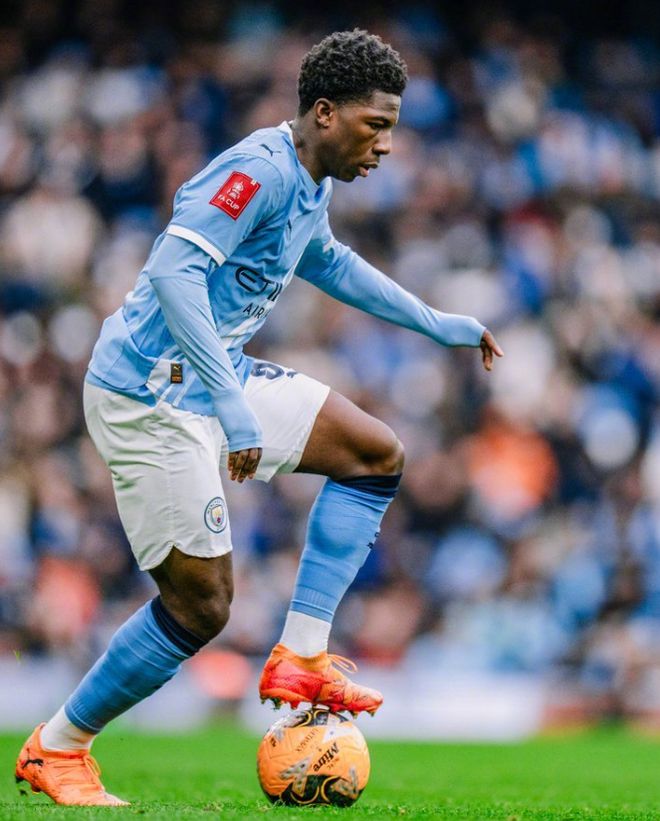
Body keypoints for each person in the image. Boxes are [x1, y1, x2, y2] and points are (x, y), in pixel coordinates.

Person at [15, 29, 502, 806]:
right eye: (376, 125)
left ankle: (302, 655)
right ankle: (59, 745)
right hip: (148, 394)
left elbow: (327, 259)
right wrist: (233, 405)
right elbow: (175, 274)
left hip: (210, 379)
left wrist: (434, 321)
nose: (385, 145)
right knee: (201, 606)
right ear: (325, 112)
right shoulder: (257, 170)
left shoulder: (310, 181)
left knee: (373, 452)